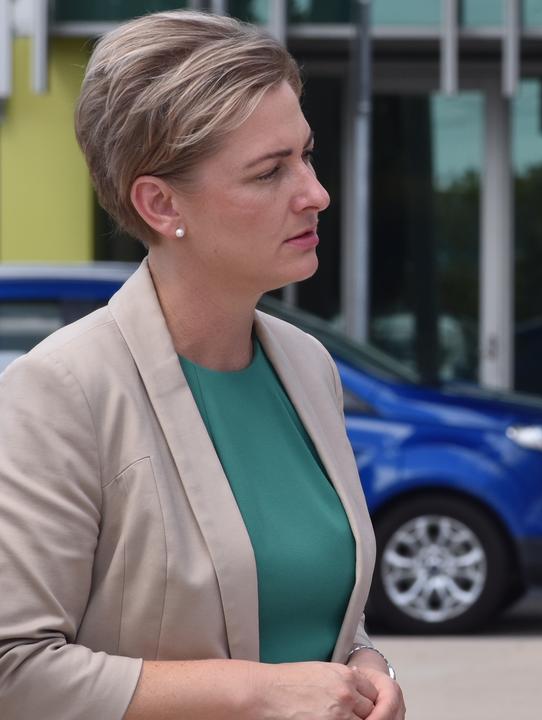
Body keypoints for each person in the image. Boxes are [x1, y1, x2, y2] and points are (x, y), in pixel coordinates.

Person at [0, 11, 405, 720]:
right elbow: (15, 669)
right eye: (269, 171)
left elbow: (300, 608)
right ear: (159, 203)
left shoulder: (309, 368)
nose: (315, 192)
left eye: (306, 155)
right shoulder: (62, 390)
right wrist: (257, 692)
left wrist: (363, 663)